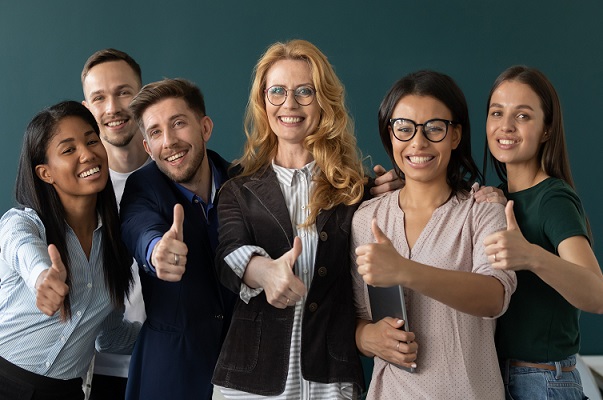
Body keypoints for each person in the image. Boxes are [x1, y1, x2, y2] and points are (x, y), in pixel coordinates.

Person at [212, 39, 371, 399]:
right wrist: (265, 272)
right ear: (263, 101)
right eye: (278, 92)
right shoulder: (239, 189)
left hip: (329, 379)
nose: (289, 104)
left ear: (324, 101)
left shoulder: (357, 190)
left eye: (304, 92)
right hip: (250, 381)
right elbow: (227, 255)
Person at [352, 70, 517, 400]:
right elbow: (358, 317)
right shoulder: (366, 219)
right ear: (390, 133)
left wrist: (405, 271)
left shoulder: (482, 212)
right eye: (404, 128)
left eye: (434, 128)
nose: (418, 142)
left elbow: (494, 297)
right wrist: (366, 338)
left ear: (455, 135)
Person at [0, 101, 140, 400]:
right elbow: (22, 249)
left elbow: (110, 337)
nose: (88, 154)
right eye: (68, 149)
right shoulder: (24, 223)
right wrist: (42, 278)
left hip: (64, 392)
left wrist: (178, 334)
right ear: (45, 173)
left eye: (91, 140)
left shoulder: (117, 247)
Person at [482, 65, 603, 400]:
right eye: (497, 112)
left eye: (523, 116)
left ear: (547, 129)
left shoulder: (552, 198)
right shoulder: (499, 197)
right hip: (499, 376)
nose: (505, 126)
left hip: (542, 382)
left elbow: (597, 294)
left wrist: (532, 256)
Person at [119, 78, 237, 400]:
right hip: (170, 375)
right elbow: (137, 226)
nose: (169, 141)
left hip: (245, 372)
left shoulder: (244, 181)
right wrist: (156, 250)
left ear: (205, 128)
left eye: (178, 124)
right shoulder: (142, 187)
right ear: (147, 147)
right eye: (155, 132)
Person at [81, 48, 150, 400]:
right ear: (87, 108)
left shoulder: (180, 174)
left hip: (169, 363)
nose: (112, 108)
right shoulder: (76, 189)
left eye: (124, 92)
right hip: (97, 372)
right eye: (99, 98)